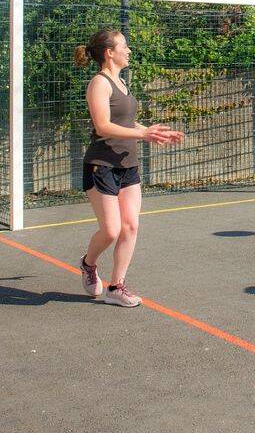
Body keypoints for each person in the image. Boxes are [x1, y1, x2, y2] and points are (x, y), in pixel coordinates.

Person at [74, 29, 183, 308]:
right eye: (124, 45)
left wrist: (151, 131)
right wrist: (143, 136)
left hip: (127, 166)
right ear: (109, 52)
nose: (129, 50)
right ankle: (88, 264)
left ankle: (116, 287)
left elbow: (124, 122)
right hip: (102, 165)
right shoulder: (99, 83)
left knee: (131, 226)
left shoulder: (122, 83)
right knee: (110, 230)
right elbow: (103, 126)